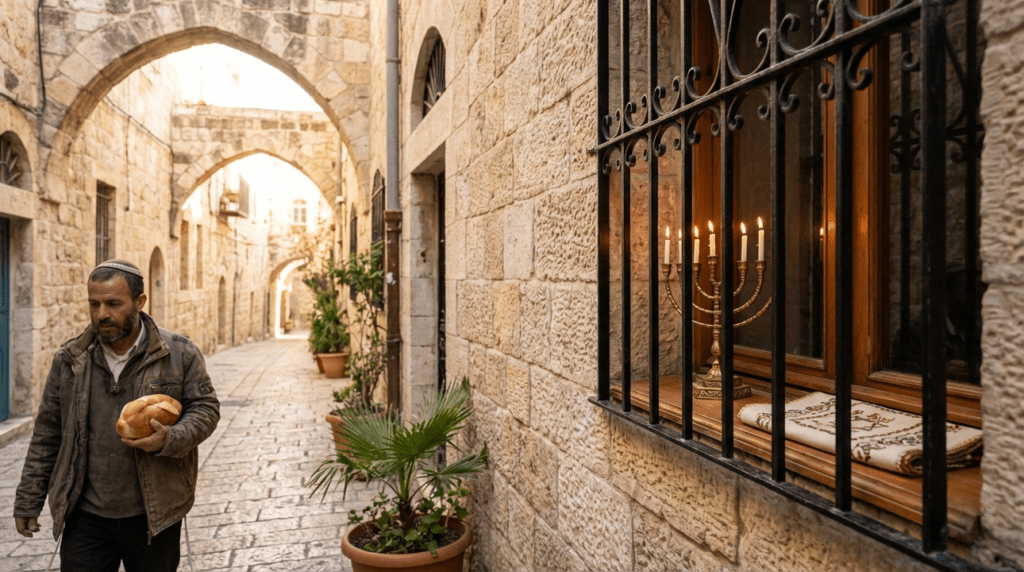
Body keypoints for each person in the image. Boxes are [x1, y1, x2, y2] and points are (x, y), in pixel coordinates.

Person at [13, 259, 221, 572]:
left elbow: (205, 408)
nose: (101, 314)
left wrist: (171, 438)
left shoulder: (179, 353)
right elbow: (47, 433)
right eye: (93, 304)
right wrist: (29, 498)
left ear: (140, 302)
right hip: (86, 517)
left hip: (155, 515)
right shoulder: (70, 359)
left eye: (113, 303)